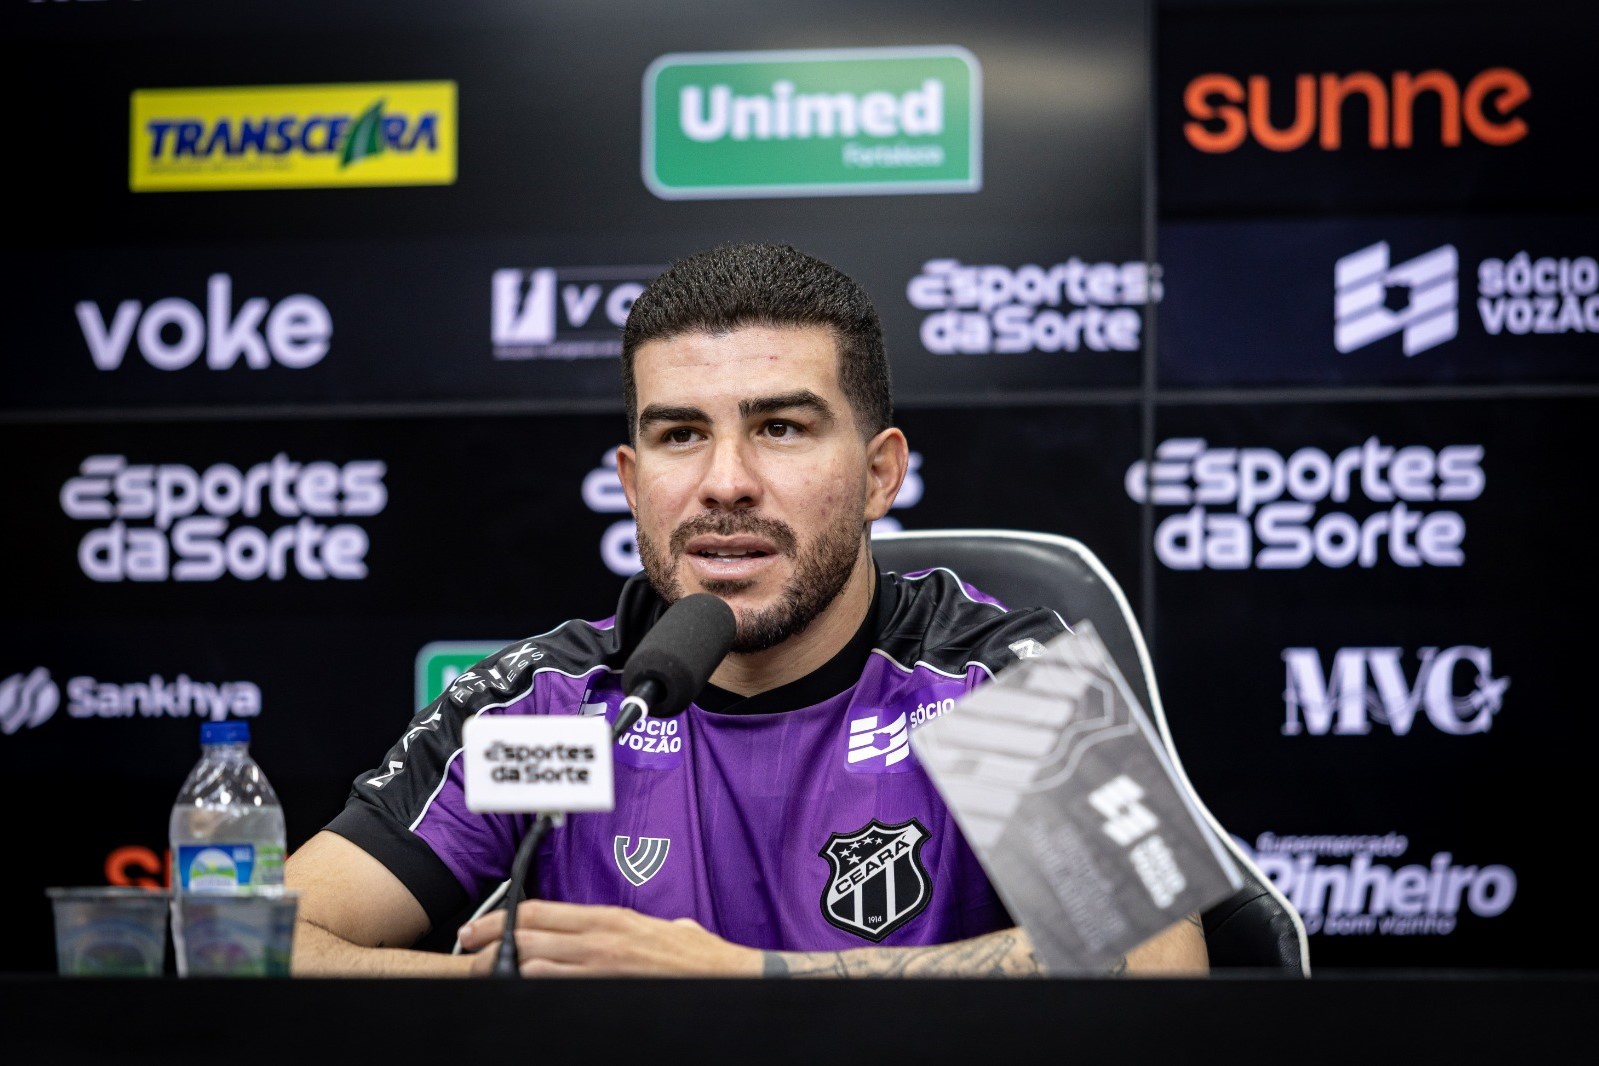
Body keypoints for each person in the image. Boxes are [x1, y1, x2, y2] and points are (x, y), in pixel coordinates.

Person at [285, 241, 1206, 978]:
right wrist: (524, 997)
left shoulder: (990, 680)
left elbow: (1152, 960)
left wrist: (740, 981)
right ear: (633, 482)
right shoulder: (552, 716)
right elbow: (256, 942)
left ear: (879, 474)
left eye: (780, 427)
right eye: (681, 434)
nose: (725, 482)